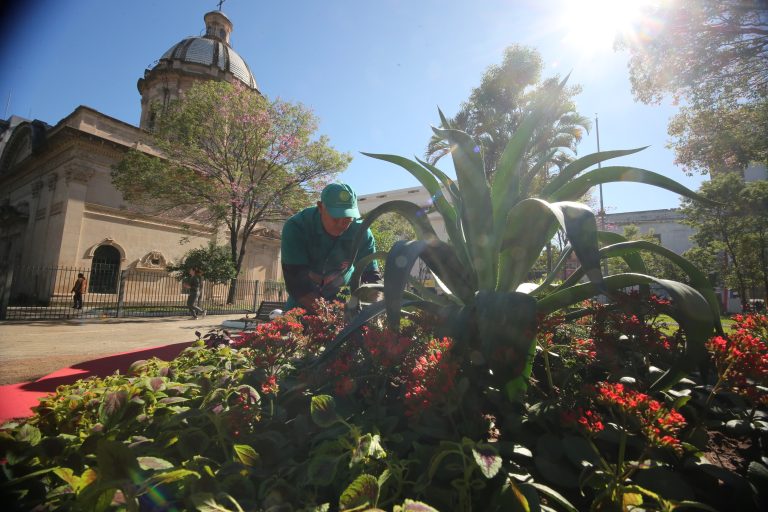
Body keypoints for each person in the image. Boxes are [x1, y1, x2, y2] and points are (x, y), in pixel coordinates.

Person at [281, 183, 381, 314]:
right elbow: (296, 281)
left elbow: (372, 277)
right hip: (303, 301)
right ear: (320, 207)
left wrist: (373, 312)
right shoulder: (296, 227)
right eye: (335, 218)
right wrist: (329, 315)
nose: (340, 225)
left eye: (347, 219)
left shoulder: (362, 232)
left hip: (345, 300)